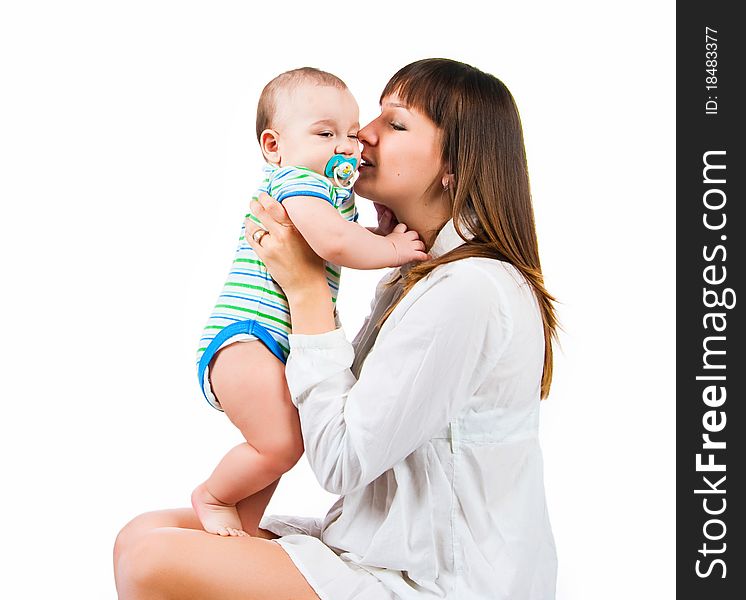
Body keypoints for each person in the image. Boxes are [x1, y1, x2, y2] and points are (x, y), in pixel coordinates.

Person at [113, 58, 559, 600]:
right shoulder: (415, 273)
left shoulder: (469, 290)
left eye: (395, 125)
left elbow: (342, 460)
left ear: (455, 167)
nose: (362, 135)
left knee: (151, 558)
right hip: (372, 547)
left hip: (434, 582)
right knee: (140, 535)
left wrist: (304, 292)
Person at [192, 67, 428, 538]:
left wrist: (374, 233)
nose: (346, 145)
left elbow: (339, 232)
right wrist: (393, 250)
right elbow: (333, 243)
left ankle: (241, 523)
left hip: (272, 344)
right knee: (279, 445)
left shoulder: (324, 191)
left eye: (349, 133)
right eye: (325, 133)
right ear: (274, 146)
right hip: (248, 338)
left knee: (285, 445)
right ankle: (213, 496)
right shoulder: (297, 181)